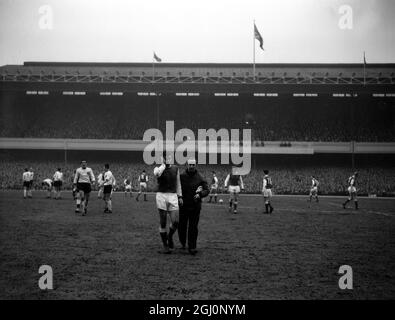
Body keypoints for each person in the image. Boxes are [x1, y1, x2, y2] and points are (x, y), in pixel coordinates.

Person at [179, 159, 209, 255]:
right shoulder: (181, 176)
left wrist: (200, 195)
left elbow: (206, 190)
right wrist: (179, 197)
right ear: (187, 165)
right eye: (190, 164)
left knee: (193, 227)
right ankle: (183, 242)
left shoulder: (200, 177)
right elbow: (176, 189)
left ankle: (192, 247)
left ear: (196, 165)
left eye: (193, 164)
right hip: (183, 206)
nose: (191, 166)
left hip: (195, 206)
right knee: (182, 226)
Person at [153, 153, 182, 254]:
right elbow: (157, 174)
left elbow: (178, 183)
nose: (168, 159)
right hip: (161, 195)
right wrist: (163, 165)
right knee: (163, 221)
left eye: (169, 157)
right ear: (163, 159)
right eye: (165, 158)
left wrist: (180, 196)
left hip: (173, 196)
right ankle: (165, 245)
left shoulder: (175, 168)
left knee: (176, 221)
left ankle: (169, 237)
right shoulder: (158, 168)